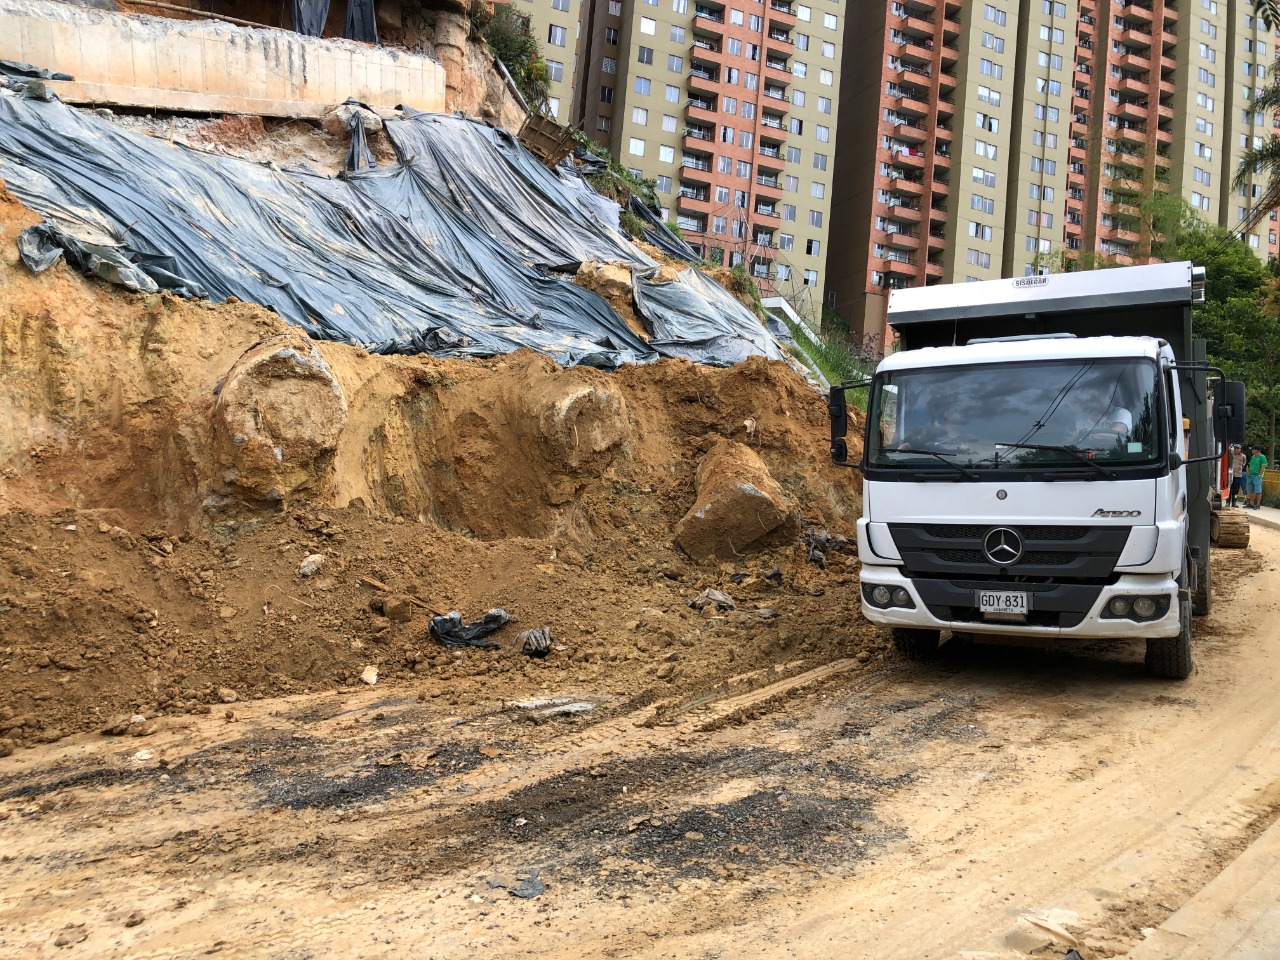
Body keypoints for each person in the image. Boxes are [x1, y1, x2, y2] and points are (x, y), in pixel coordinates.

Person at [1245, 443, 1267, 510]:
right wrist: (1248, 470)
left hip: (1257, 476)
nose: (1252, 450)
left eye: (1253, 449)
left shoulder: (1262, 457)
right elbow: (1250, 464)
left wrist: (1259, 475)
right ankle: (1251, 503)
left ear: (1257, 450)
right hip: (1250, 475)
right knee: (1251, 490)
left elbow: (1263, 466)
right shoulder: (1253, 457)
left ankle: (1258, 504)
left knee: (1258, 490)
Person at [1229, 443, 1245, 508]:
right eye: (1235, 448)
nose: (1236, 450)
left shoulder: (1243, 456)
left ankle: (1234, 502)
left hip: (1238, 474)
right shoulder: (1230, 455)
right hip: (1231, 474)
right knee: (1230, 488)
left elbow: (1244, 464)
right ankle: (1228, 502)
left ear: (1240, 449)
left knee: (1236, 490)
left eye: (1237, 448)